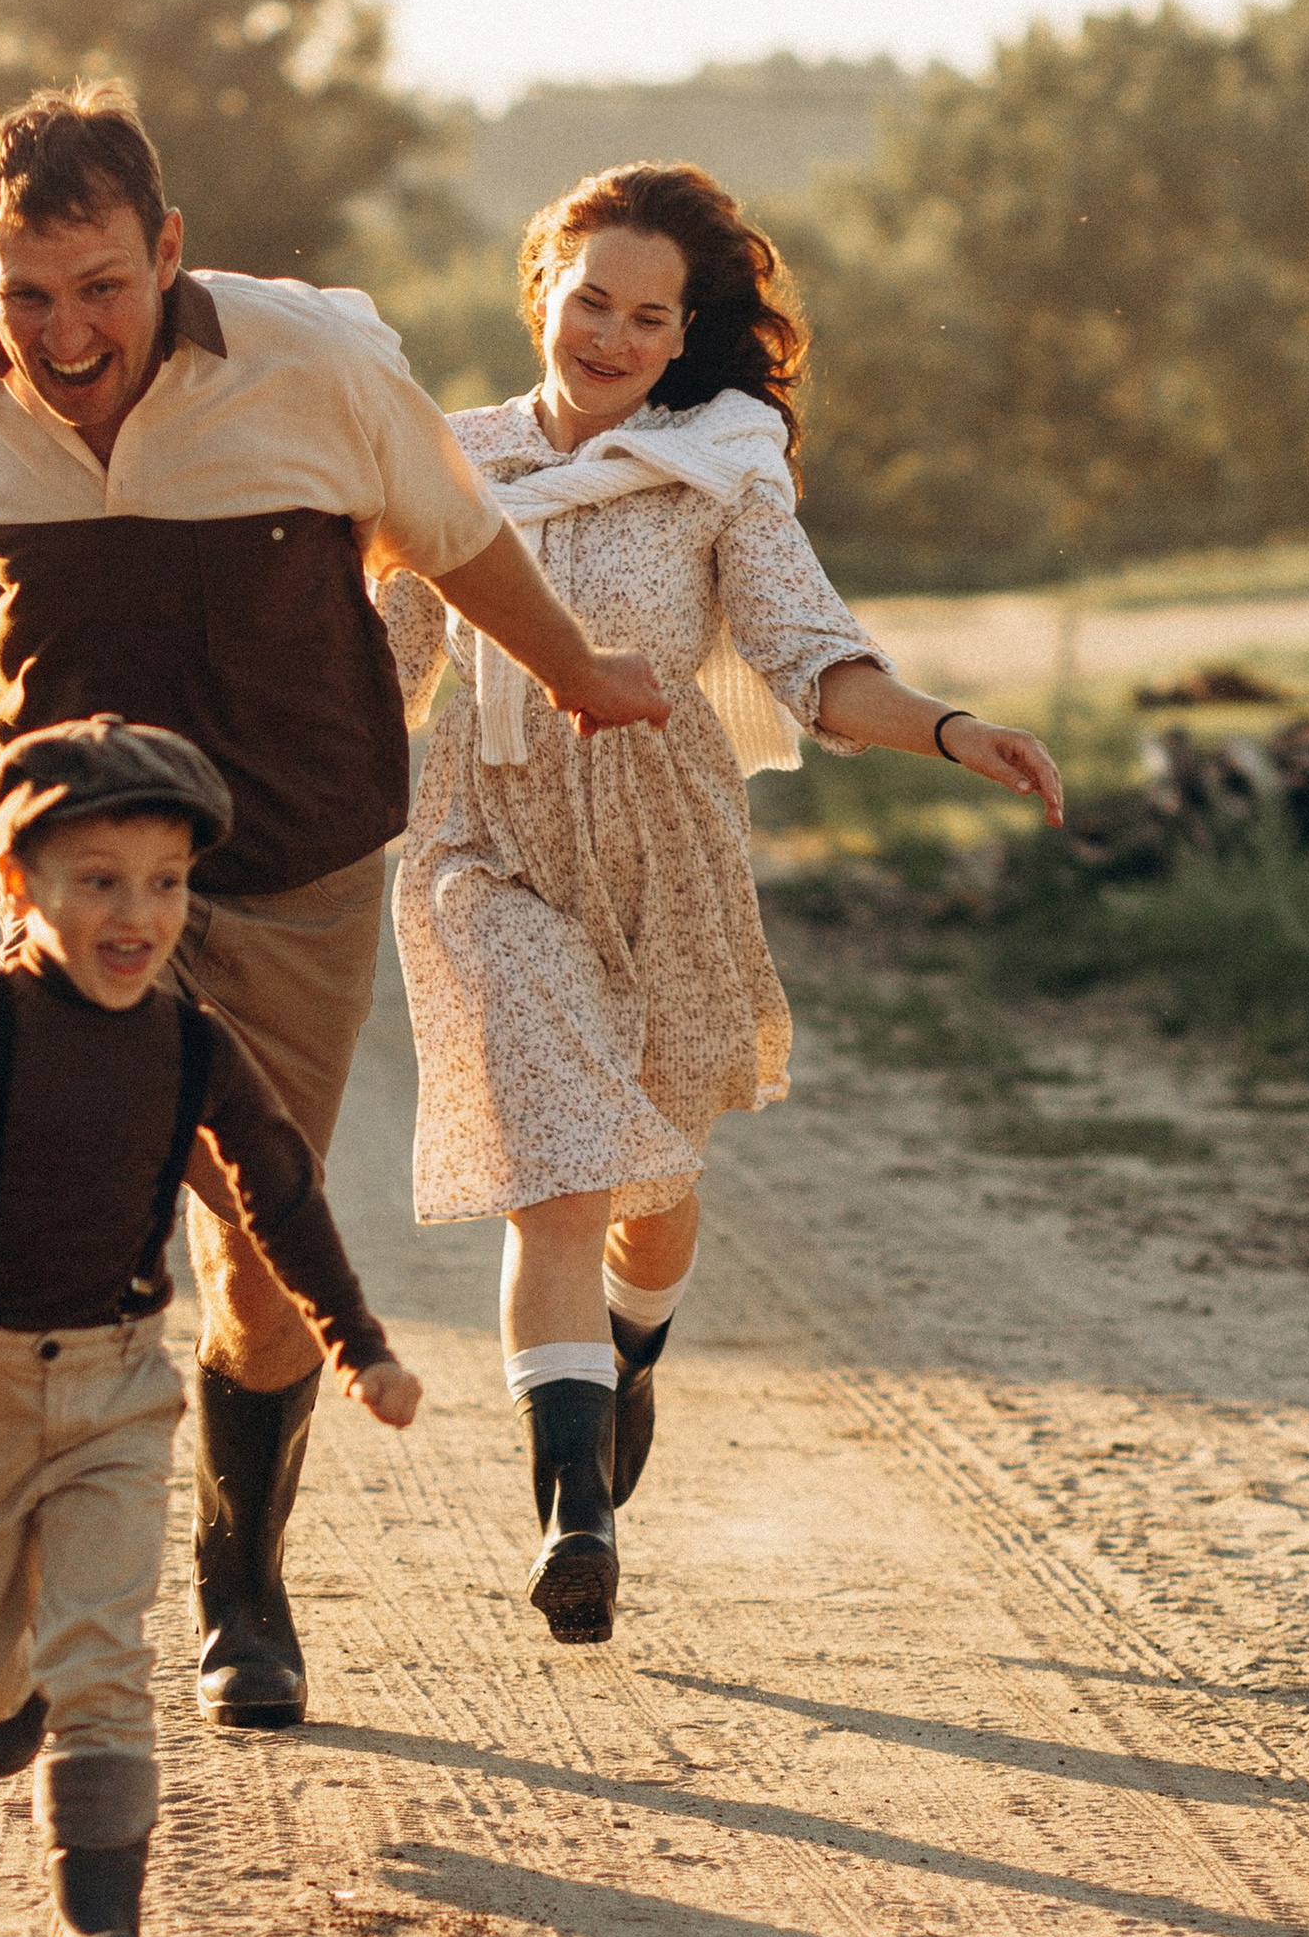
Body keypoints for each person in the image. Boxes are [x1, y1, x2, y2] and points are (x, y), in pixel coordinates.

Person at [0, 80, 667, 1732]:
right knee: (42, 1214)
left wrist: (574, 670)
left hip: (292, 859)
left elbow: (457, 535)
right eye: (26, 292)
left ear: (166, 251)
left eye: (100, 286)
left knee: (268, 1262)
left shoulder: (318, 371)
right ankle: (38, 1563)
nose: (65, 332)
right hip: (82, 887)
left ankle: (244, 1573)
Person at [378, 163, 1065, 1644]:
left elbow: (814, 658)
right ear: (542, 290)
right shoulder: (450, 463)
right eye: (590, 302)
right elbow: (381, 674)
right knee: (556, 1166)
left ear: (684, 331)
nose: (612, 337)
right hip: (483, 847)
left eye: (648, 316)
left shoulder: (719, 468)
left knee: (652, 1181)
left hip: (663, 853)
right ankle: (577, 1516)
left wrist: (950, 728)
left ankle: (629, 1358)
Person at [0, 715, 421, 1937]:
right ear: (17, 888)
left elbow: (278, 1188)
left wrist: (358, 1339)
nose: (136, 913)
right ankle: (5, 1697)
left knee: (106, 1654)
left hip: (113, 1389)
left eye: (164, 883)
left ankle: (103, 1933)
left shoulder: (189, 1039)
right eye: (98, 880)